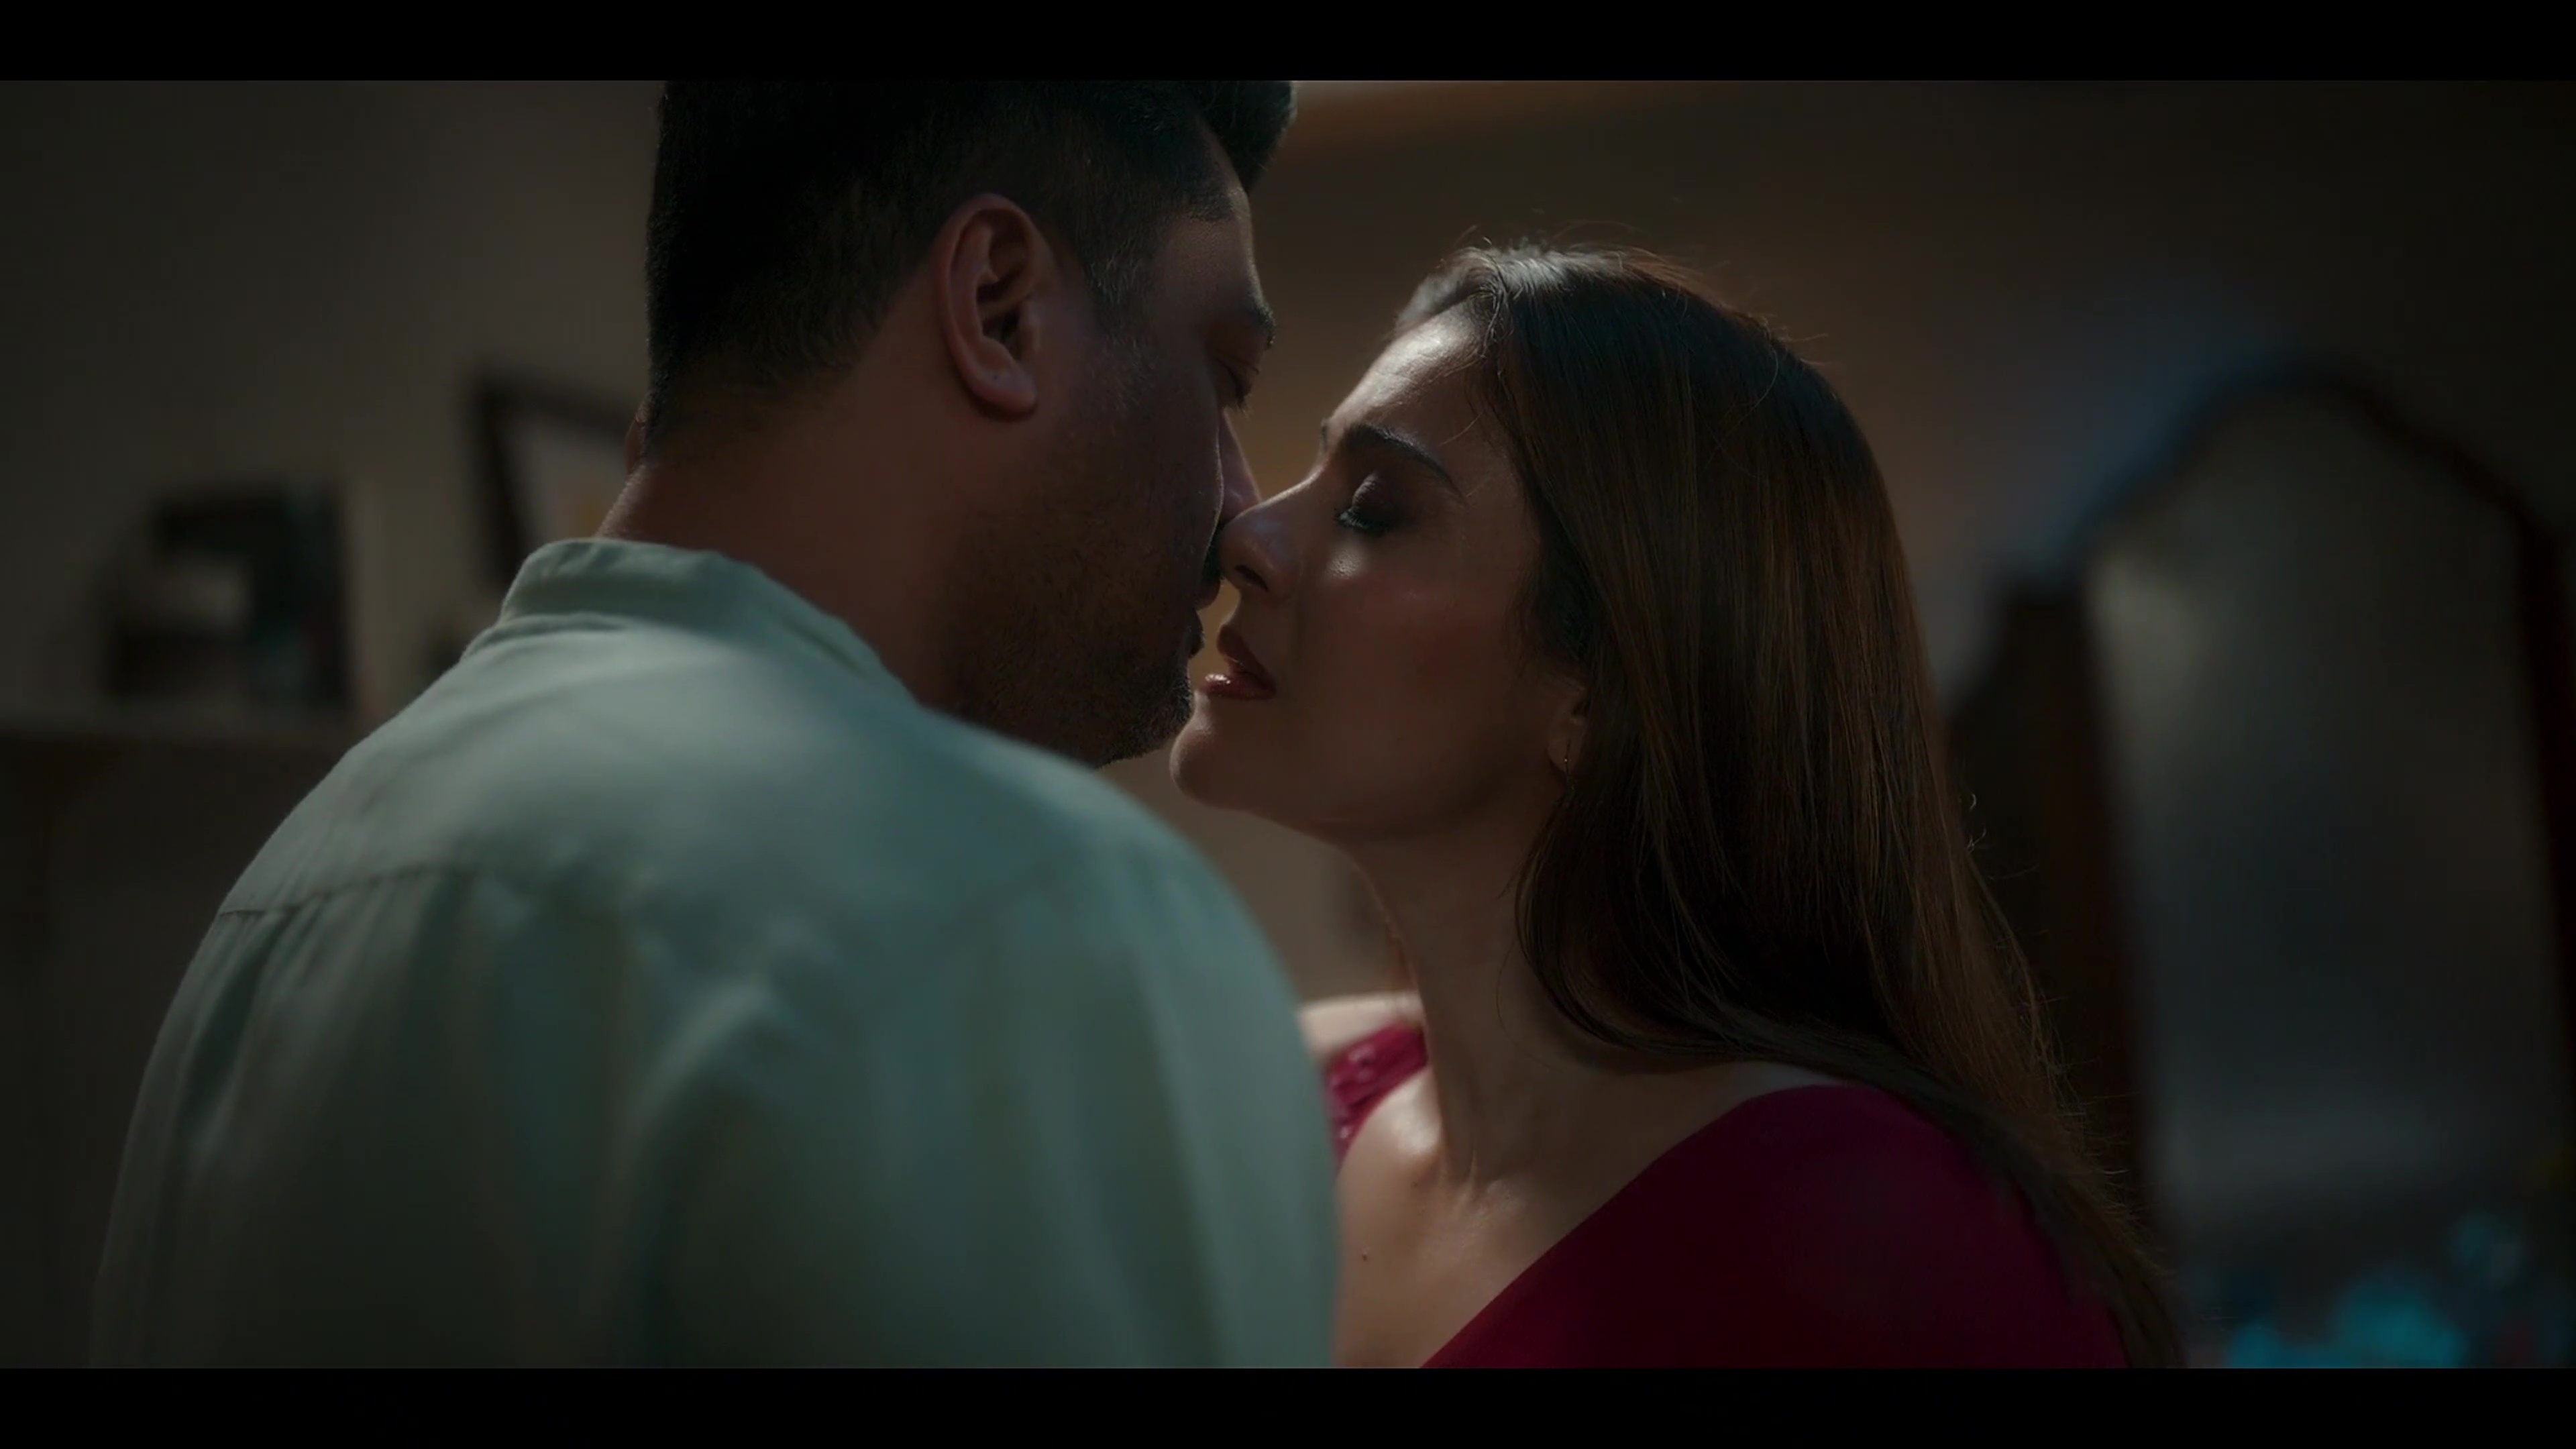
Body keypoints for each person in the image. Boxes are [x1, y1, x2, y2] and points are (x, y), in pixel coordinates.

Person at [92, 82, 1337, 1367]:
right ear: (998, 306)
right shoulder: (1035, 919)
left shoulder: (287, 892)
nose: (1240, 510)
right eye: (1224, 378)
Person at [1171, 244, 2184, 1368]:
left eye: (1373, 509)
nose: (1248, 535)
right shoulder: (1270, 1102)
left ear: (1599, 691)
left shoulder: (1879, 1242)